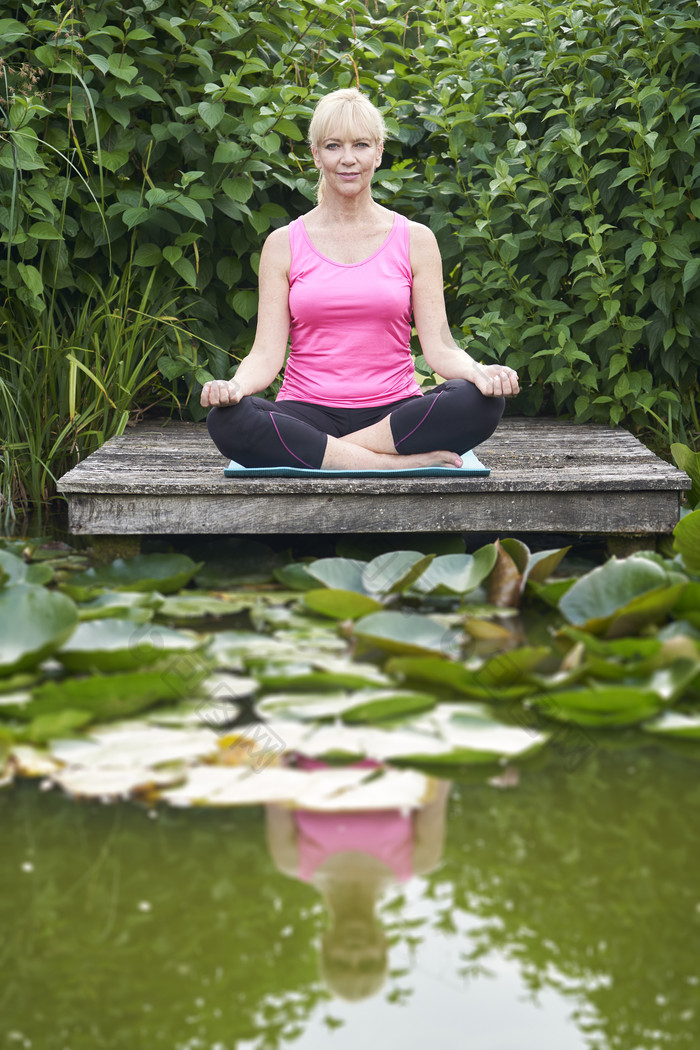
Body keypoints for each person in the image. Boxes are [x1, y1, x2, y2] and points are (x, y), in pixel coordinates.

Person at [202, 88, 519, 470]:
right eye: (334, 146)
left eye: (361, 145)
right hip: (305, 412)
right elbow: (266, 356)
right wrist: (234, 387)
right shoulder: (283, 244)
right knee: (228, 419)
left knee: (481, 402)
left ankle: (330, 455)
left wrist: (480, 373)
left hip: (394, 414)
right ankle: (392, 463)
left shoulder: (415, 239)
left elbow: (440, 350)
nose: (348, 159)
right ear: (316, 154)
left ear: (379, 151)